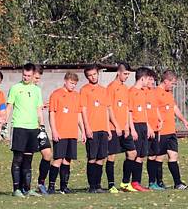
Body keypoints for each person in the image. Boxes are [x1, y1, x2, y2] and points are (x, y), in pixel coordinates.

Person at [5, 63, 44, 197]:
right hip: (19, 127)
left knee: (28, 159)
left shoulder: (37, 90)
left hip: (32, 128)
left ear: (33, 75)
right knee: (18, 158)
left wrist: (42, 126)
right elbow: (9, 107)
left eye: (29, 75)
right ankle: (16, 189)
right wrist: (4, 123)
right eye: (24, 75)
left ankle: (26, 189)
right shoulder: (15, 88)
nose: (26, 77)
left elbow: (39, 109)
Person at [154, 70, 188, 190]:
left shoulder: (169, 93)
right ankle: (158, 182)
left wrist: (184, 121)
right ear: (166, 81)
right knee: (159, 157)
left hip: (171, 131)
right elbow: (153, 109)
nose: (173, 86)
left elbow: (174, 107)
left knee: (173, 155)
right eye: (172, 83)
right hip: (161, 131)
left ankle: (178, 183)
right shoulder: (156, 92)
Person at [79, 65, 115, 193]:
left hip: (103, 129)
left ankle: (98, 185)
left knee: (101, 157)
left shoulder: (104, 90)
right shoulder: (84, 90)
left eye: (94, 74)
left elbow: (106, 110)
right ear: (87, 77)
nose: (93, 77)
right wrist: (87, 128)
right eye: (90, 75)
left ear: (98, 74)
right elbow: (83, 110)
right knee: (92, 157)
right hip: (92, 129)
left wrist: (108, 129)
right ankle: (92, 186)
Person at [47, 73, 85, 194]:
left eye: (75, 84)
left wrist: (83, 131)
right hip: (60, 133)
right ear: (65, 81)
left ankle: (64, 186)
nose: (73, 86)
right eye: (71, 83)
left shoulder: (76, 96)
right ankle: (51, 186)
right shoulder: (56, 94)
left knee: (67, 160)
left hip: (72, 133)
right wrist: (54, 131)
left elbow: (78, 114)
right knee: (57, 159)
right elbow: (52, 113)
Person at [106, 63, 137, 192]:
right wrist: (116, 126)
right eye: (125, 74)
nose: (127, 76)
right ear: (118, 72)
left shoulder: (125, 89)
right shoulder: (111, 88)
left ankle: (125, 183)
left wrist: (127, 126)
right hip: (113, 127)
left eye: (128, 74)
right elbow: (109, 108)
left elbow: (126, 109)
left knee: (132, 153)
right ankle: (111, 185)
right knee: (111, 156)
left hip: (124, 128)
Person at [124, 67, 153, 192]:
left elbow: (144, 111)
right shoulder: (131, 92)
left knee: (141, 155)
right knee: (133, 155)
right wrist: (132, 129)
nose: (149, 81)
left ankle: (136, 183)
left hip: (143, 126)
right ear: (142, 78)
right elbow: (129, 112)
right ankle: (126, 182)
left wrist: (148, 126)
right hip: (135, 125)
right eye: (148, 79)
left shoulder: (142, 92)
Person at [31, 66, 54, 195]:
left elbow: (37, 108)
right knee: (25, 157)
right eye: (36, 78)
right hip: (27, 127)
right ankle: (23, 186)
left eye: (39, 78)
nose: (37, 80)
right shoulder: (20, 89)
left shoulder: (37, 90)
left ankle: (41, 183)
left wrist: (42, 106)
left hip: (39, 127)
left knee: (47, 154)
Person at [144, 71, 165, 190]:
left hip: (156, 128)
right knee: (149, 156)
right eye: (150, 79)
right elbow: (143, 112)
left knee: (155, 154)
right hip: (148, 129)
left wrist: (160, 119)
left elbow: (155, 108)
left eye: (153, 80)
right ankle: (151, 182)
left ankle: (154, 182)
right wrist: (148, 127)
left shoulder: (153, 92)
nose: (152, 82)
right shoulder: (143, 93)